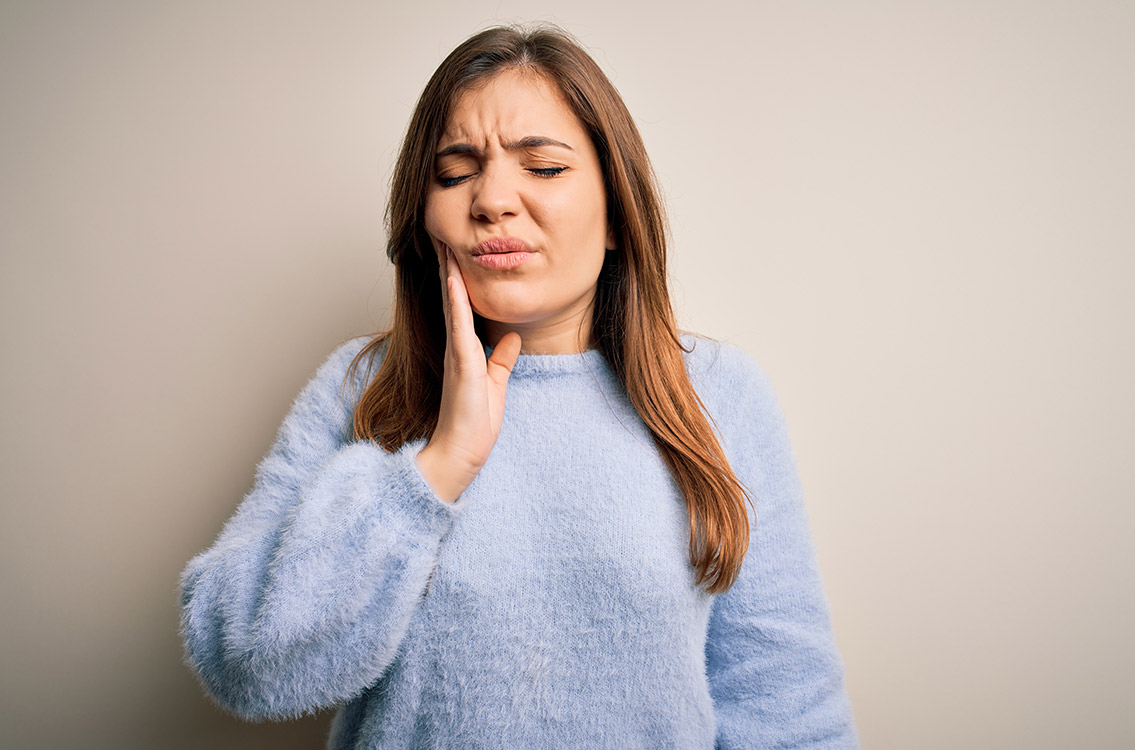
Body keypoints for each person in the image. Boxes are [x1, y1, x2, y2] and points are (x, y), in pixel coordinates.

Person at [179, 23, 858, 749]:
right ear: (424, 212)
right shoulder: (362, 388)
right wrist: (438, 468)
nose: (493, 199)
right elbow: (239, 660)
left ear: (617, 215)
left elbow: (785, 706)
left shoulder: (722, 396)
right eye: (455, 171)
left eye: (544, 168)